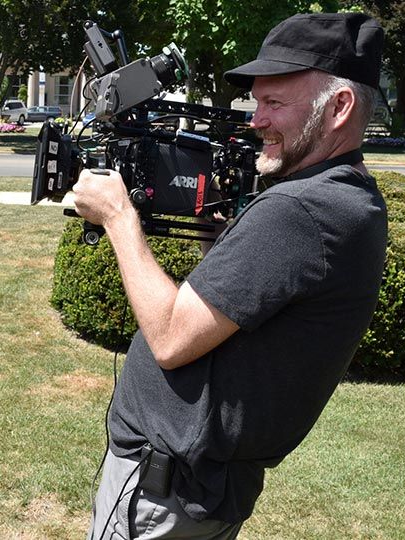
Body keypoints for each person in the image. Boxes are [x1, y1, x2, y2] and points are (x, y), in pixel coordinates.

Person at [73, 13, 388, 539]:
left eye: (274, 103)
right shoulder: (345, 193)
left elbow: (172, 339)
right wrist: (220, 241)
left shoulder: (300, 210)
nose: (255, 119)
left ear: (339, 107)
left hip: (165, 495)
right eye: (257, 101)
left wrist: (118, 218)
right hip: (195, 488)